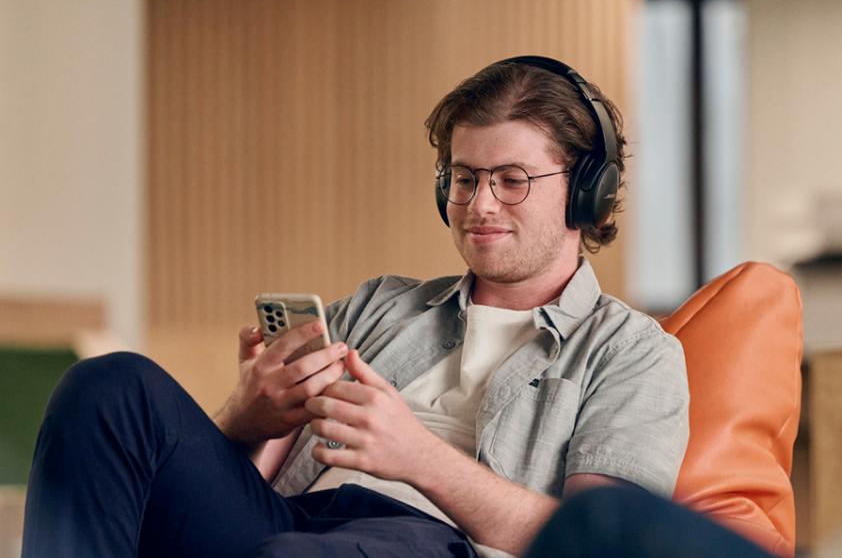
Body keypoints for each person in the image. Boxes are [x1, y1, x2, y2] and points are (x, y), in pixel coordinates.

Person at [21, 56, 689, 558]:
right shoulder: (381, 305)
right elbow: (239, 484)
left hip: (425, 542)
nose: (481, 204)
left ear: (586, 194)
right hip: (288, 522)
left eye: (512, 180)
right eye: (463, 178)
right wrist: (247, 416)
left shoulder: (632, 352)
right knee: (108, 384)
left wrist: (416, 455)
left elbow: (606, 542)